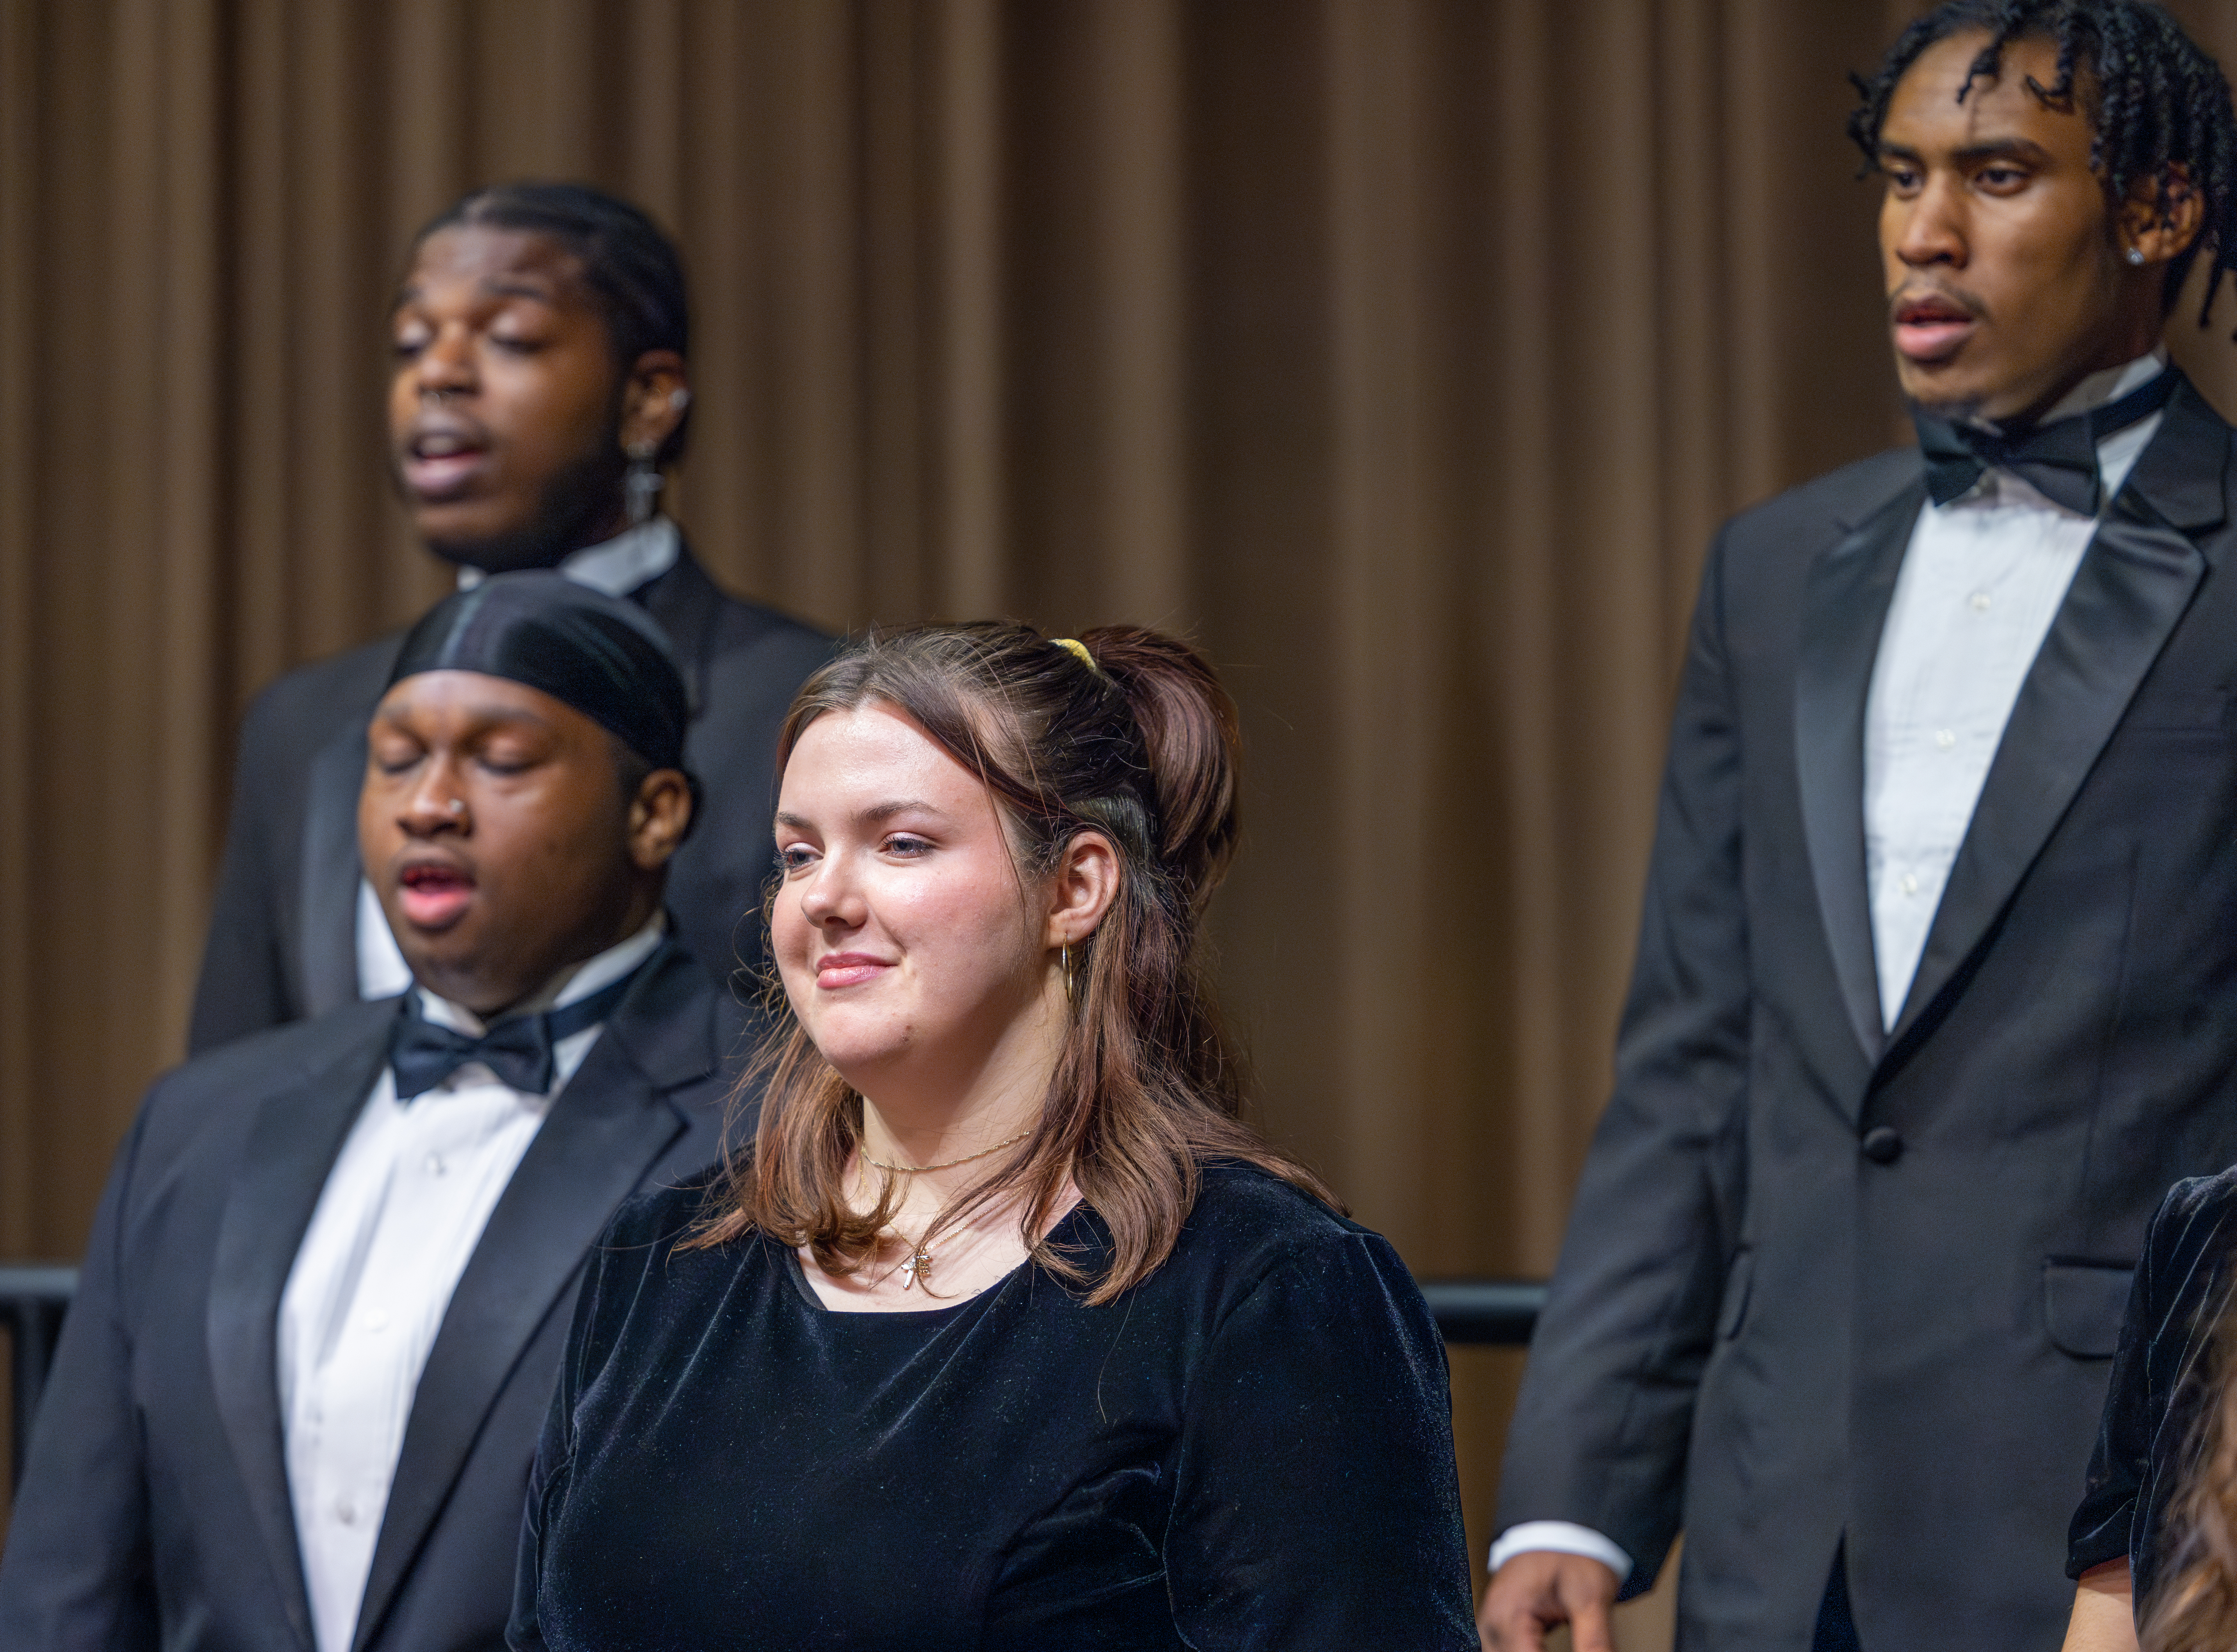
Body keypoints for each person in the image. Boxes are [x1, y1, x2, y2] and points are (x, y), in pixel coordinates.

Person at [1479, 4, 2237, 1650]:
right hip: (1777, 1516)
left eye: (2000, 173)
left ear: (2161, 210)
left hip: (2119, 1537)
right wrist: (1575, 1493)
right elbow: (1694, 1059)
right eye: (1900, 176)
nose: (1924, 231)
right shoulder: (1773, 568)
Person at [508, 622, 1478, 1651]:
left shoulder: (1262, 1288)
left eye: (902, 842)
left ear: (1074, 887)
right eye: (798, 853)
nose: (824, 898)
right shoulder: (662, 1260)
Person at [0, 576, 755, 1652]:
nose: (428, 804)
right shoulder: (198, 1120)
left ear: (653, 812)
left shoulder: (778, 1119)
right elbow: (67, 1582)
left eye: (500, 761)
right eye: (395, 758)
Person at [188, 181, 831, 1055]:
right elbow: (236, 1096)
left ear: (648, 398)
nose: (438, 374)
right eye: (410, 343)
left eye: (510, 339)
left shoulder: (811, 708)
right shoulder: (302, 726)